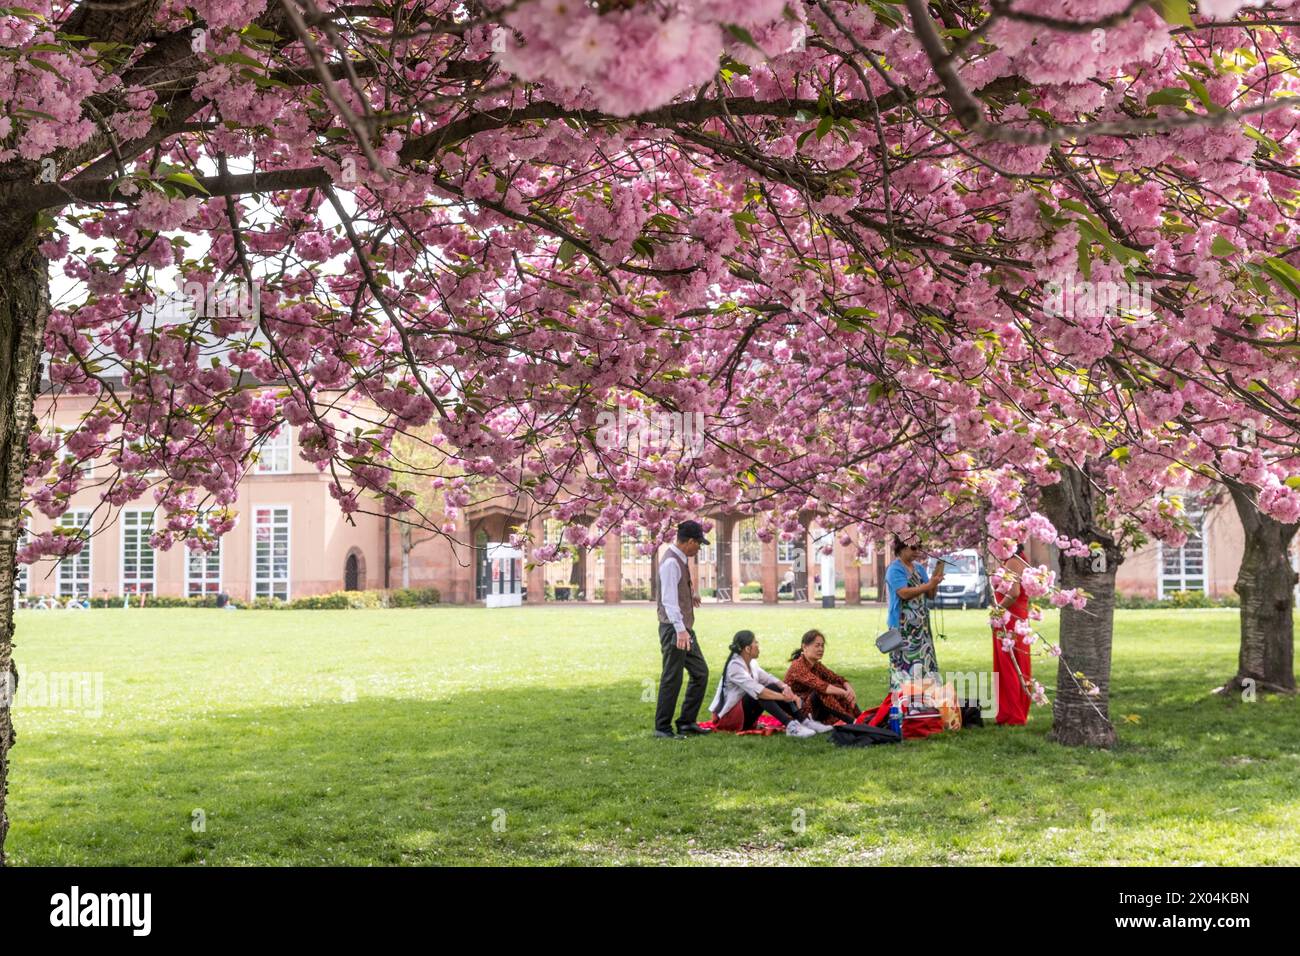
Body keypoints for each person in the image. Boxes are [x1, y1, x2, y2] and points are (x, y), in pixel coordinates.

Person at [654, 520, 712, 739]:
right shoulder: (671, 563)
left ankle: (687, 722)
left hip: (683, 629)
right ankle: (662, 728)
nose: (699, 548)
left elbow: (679, 588)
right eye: (698, 543)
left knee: (700, 673)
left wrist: (692, 594)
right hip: (674, 630)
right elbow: (669, 601)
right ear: (689, 541)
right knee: (672, 677)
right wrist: (680, 631)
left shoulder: (680, 559)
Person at [709, 630, 828, 736]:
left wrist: (785, 687)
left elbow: (768, 678)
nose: (758, 646)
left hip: (742, 715)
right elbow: (759, 692)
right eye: (756, 643)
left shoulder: (751, 662)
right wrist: (783, 697)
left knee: (771, 687)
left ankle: (804, 722)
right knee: (760, 694)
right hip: (728, 719)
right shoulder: (735, 667)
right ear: (747, 649)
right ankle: (791, 726)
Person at [885, 537, 944, 683]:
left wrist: (935, 581)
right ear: (901, 548)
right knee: (905, 669)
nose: (917, 552)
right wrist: (929, 585)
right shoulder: (895, 569)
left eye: (919, 547)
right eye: (913, 548)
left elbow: (930, 595)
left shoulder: (919, 568)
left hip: (921, 629)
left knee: (925, 665)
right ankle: (906, 702)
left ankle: (926, 701)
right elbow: (903, 592)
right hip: (903, 628)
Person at [991, 544, 1032, 725]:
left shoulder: (1014, 562)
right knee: (1013, 664)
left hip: (1010, 618)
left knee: (1010, 666)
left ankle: (1013, 713)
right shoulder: (1018, 559)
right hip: (1014, 617)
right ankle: (1010, 711)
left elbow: (1014, 592)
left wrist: (997, 611)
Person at [784, 629, 861, 725]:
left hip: (814, 708)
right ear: (804, 647)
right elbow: (821, 686)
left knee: (837, 686)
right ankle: (852, 721)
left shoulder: (817, 666)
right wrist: (845, 693)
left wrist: (849, 689)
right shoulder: (797, 666)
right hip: (797, 710)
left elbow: (837, 678)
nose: (821, 649)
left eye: (822, 645)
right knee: (822, 691)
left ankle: (859, 717)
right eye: (817, 645)